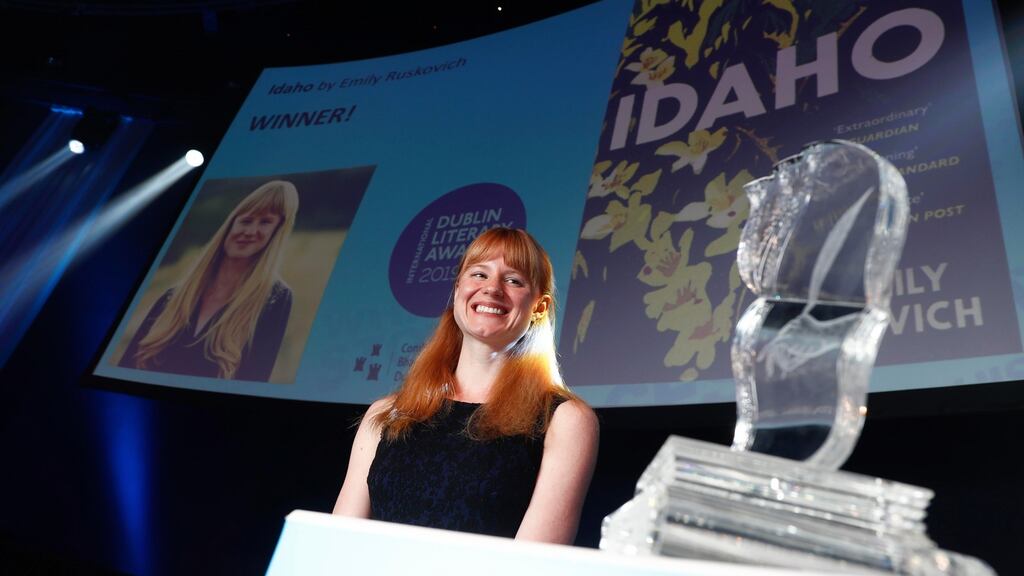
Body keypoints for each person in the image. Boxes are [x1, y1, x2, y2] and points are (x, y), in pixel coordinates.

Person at [333, 227, 599, 544]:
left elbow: (530, 567)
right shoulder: (387, 413)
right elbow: (336, 544)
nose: (492, 289)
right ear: (458, 288)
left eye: (513, 280)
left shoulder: (566, 421)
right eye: (479, 274)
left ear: (538, 307)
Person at [119, 180, 299, 382]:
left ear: (278, 232)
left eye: (265, 222)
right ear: (231, 223)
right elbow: (126, 366)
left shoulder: (276, 298)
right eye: (246, 220)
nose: (249, 231)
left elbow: (253, 380)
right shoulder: (172, 297)